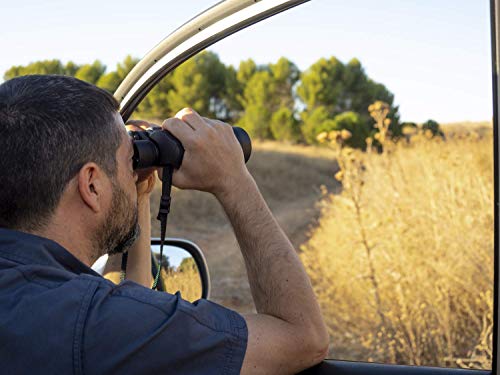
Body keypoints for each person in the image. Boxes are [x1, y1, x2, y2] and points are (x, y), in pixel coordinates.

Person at [0, 74, 328, 374]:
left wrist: (137, 196)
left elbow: (120, 315)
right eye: (132, 161)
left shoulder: (52, 308)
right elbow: (302, 337)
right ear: (92, 185)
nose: (136, 170)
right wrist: (233, 180)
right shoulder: (94, 326)